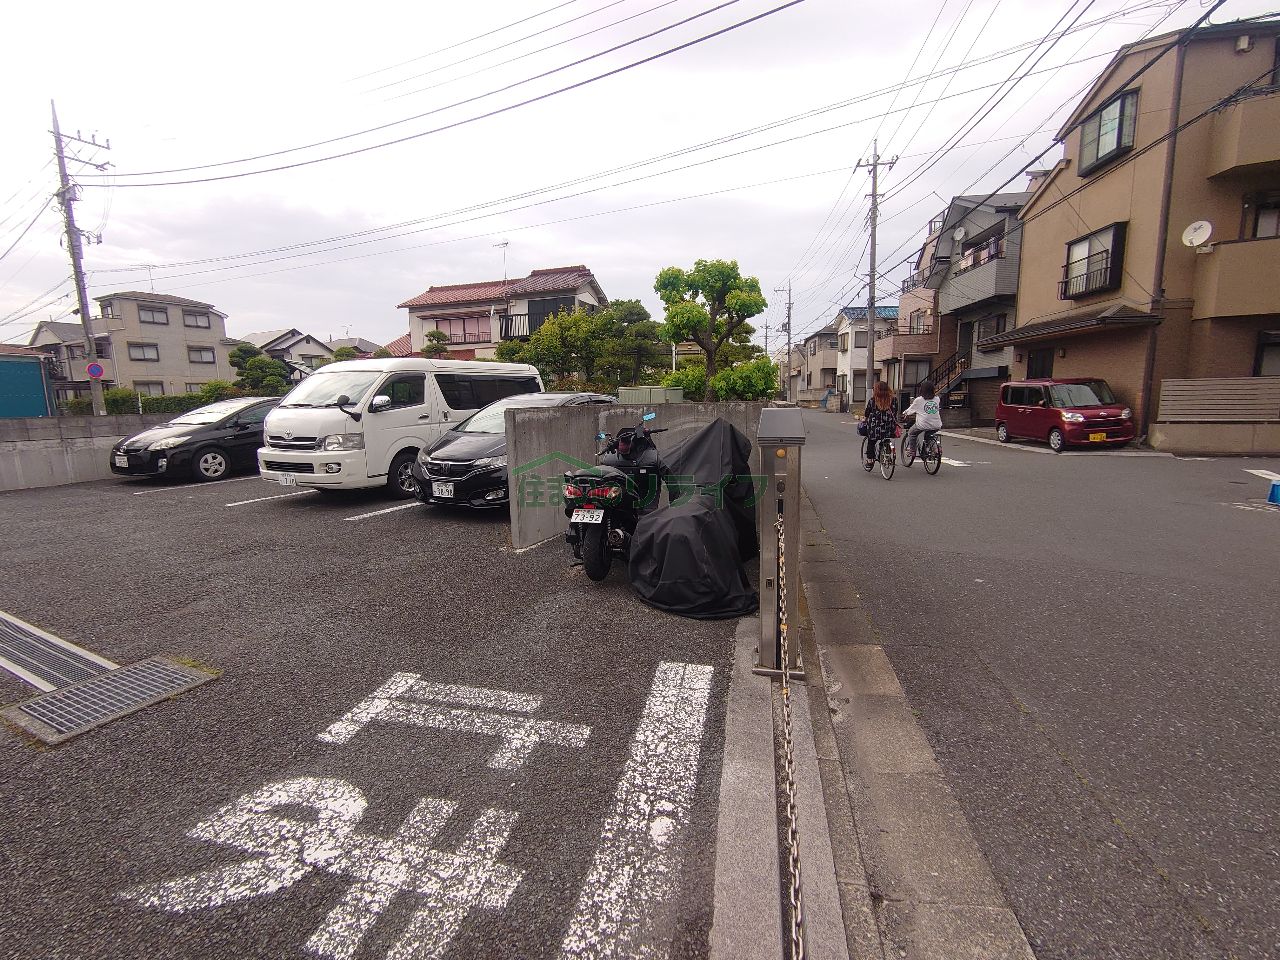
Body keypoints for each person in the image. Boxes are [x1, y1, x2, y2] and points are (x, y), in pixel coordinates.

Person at [903, 380, 943, 461]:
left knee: (911, 433)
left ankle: (912, 451)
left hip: (923, 424)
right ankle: (935, 449)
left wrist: (905, 413)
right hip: (937, 424)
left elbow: (910, 410)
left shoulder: (919, 400)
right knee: (929, 436)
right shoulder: (937, 399)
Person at [862, 381, 898, 467]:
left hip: (875, 427)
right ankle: (885, 455)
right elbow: (895, 411)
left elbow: (867, 412)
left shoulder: (873, 400)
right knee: (886, 439)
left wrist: (865, 420)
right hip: (889, 426)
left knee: (871, 442)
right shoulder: (893, 400)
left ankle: (870, 461)